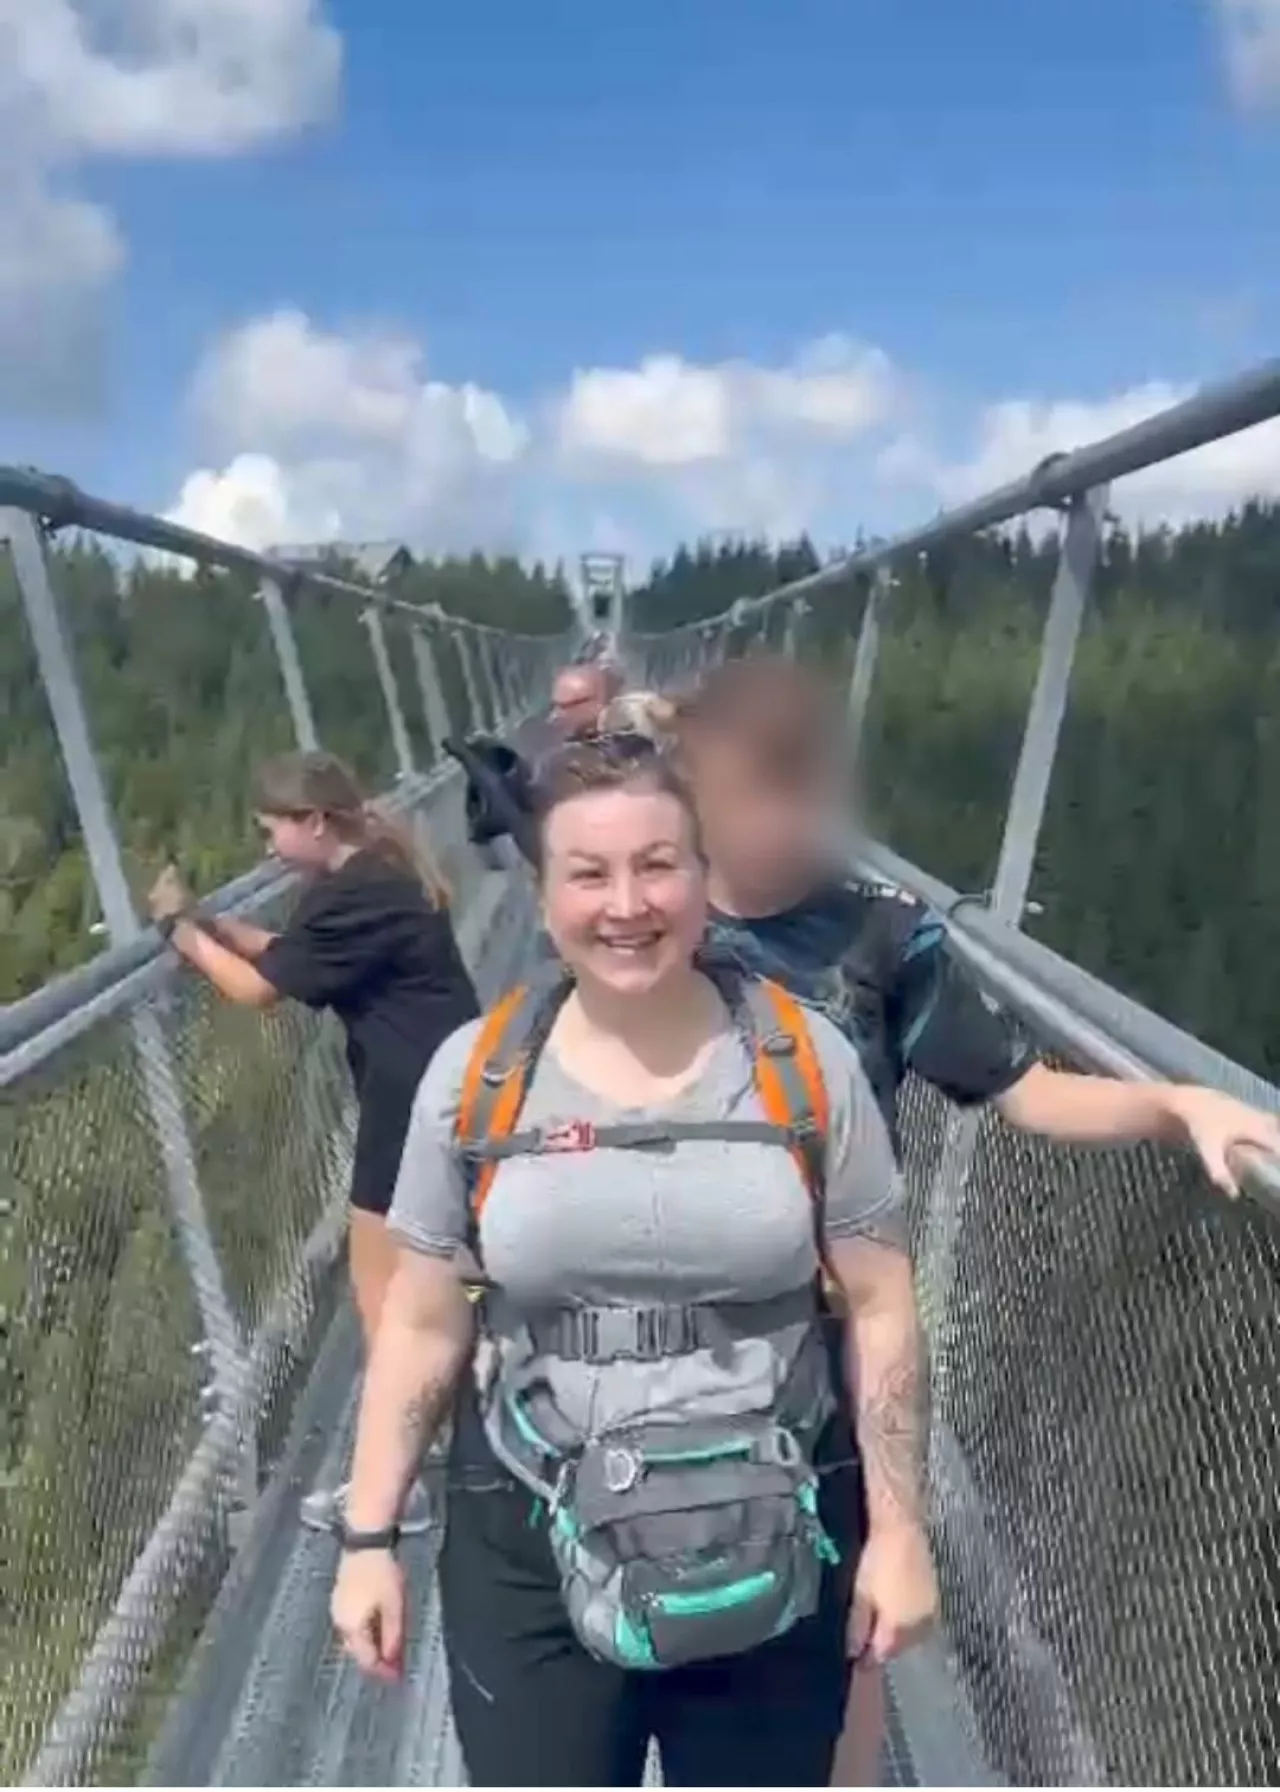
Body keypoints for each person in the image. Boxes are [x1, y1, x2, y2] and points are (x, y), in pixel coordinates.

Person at [675, 651, 1280, 1784]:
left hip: (830, 1334)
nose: (780, 826)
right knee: (680, 1588)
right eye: (753, 796)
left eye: (800, 796)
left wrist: (1174, 1104)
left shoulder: (878, 938)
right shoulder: (645, 920)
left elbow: (1023, 1090)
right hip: (669, 1334)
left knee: (852, 1614)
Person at [329, 737, 937, 1787]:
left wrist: (899, 1531)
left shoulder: (805, 1064)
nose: (626, 905)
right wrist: (368, 1537)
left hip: (771, 1522)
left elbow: (881, 1302)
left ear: (703, 877)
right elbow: (424, 1323)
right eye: (589, 873)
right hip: (532, 1534)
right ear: (541, 895)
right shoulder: (476, 1078)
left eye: (657, 865)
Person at [146, 748, 480, 1532]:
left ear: (316, 822)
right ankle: (450, 1421)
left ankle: (402, 1478)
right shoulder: (374, 874)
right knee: (440, 1272)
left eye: (274, 831)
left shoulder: (349, 893)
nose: (269, 850)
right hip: (445, 1081)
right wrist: (212, 924)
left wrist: (176, 932)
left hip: (411, 1099)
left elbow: (258, 990)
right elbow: (293, 956)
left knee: (383, 1293)